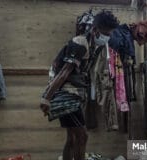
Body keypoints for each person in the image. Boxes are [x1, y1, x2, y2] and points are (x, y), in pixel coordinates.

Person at [40, 10, 119, 160]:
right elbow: (64, 73)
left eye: (109, 34)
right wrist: (46, 98)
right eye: (105, 33)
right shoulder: (80, 43)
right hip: (64, 92)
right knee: (82, 136)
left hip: (74, 93)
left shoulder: (96, 46)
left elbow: (87, 73)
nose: (107, 37)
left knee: (73, 138)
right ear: (95, 30)